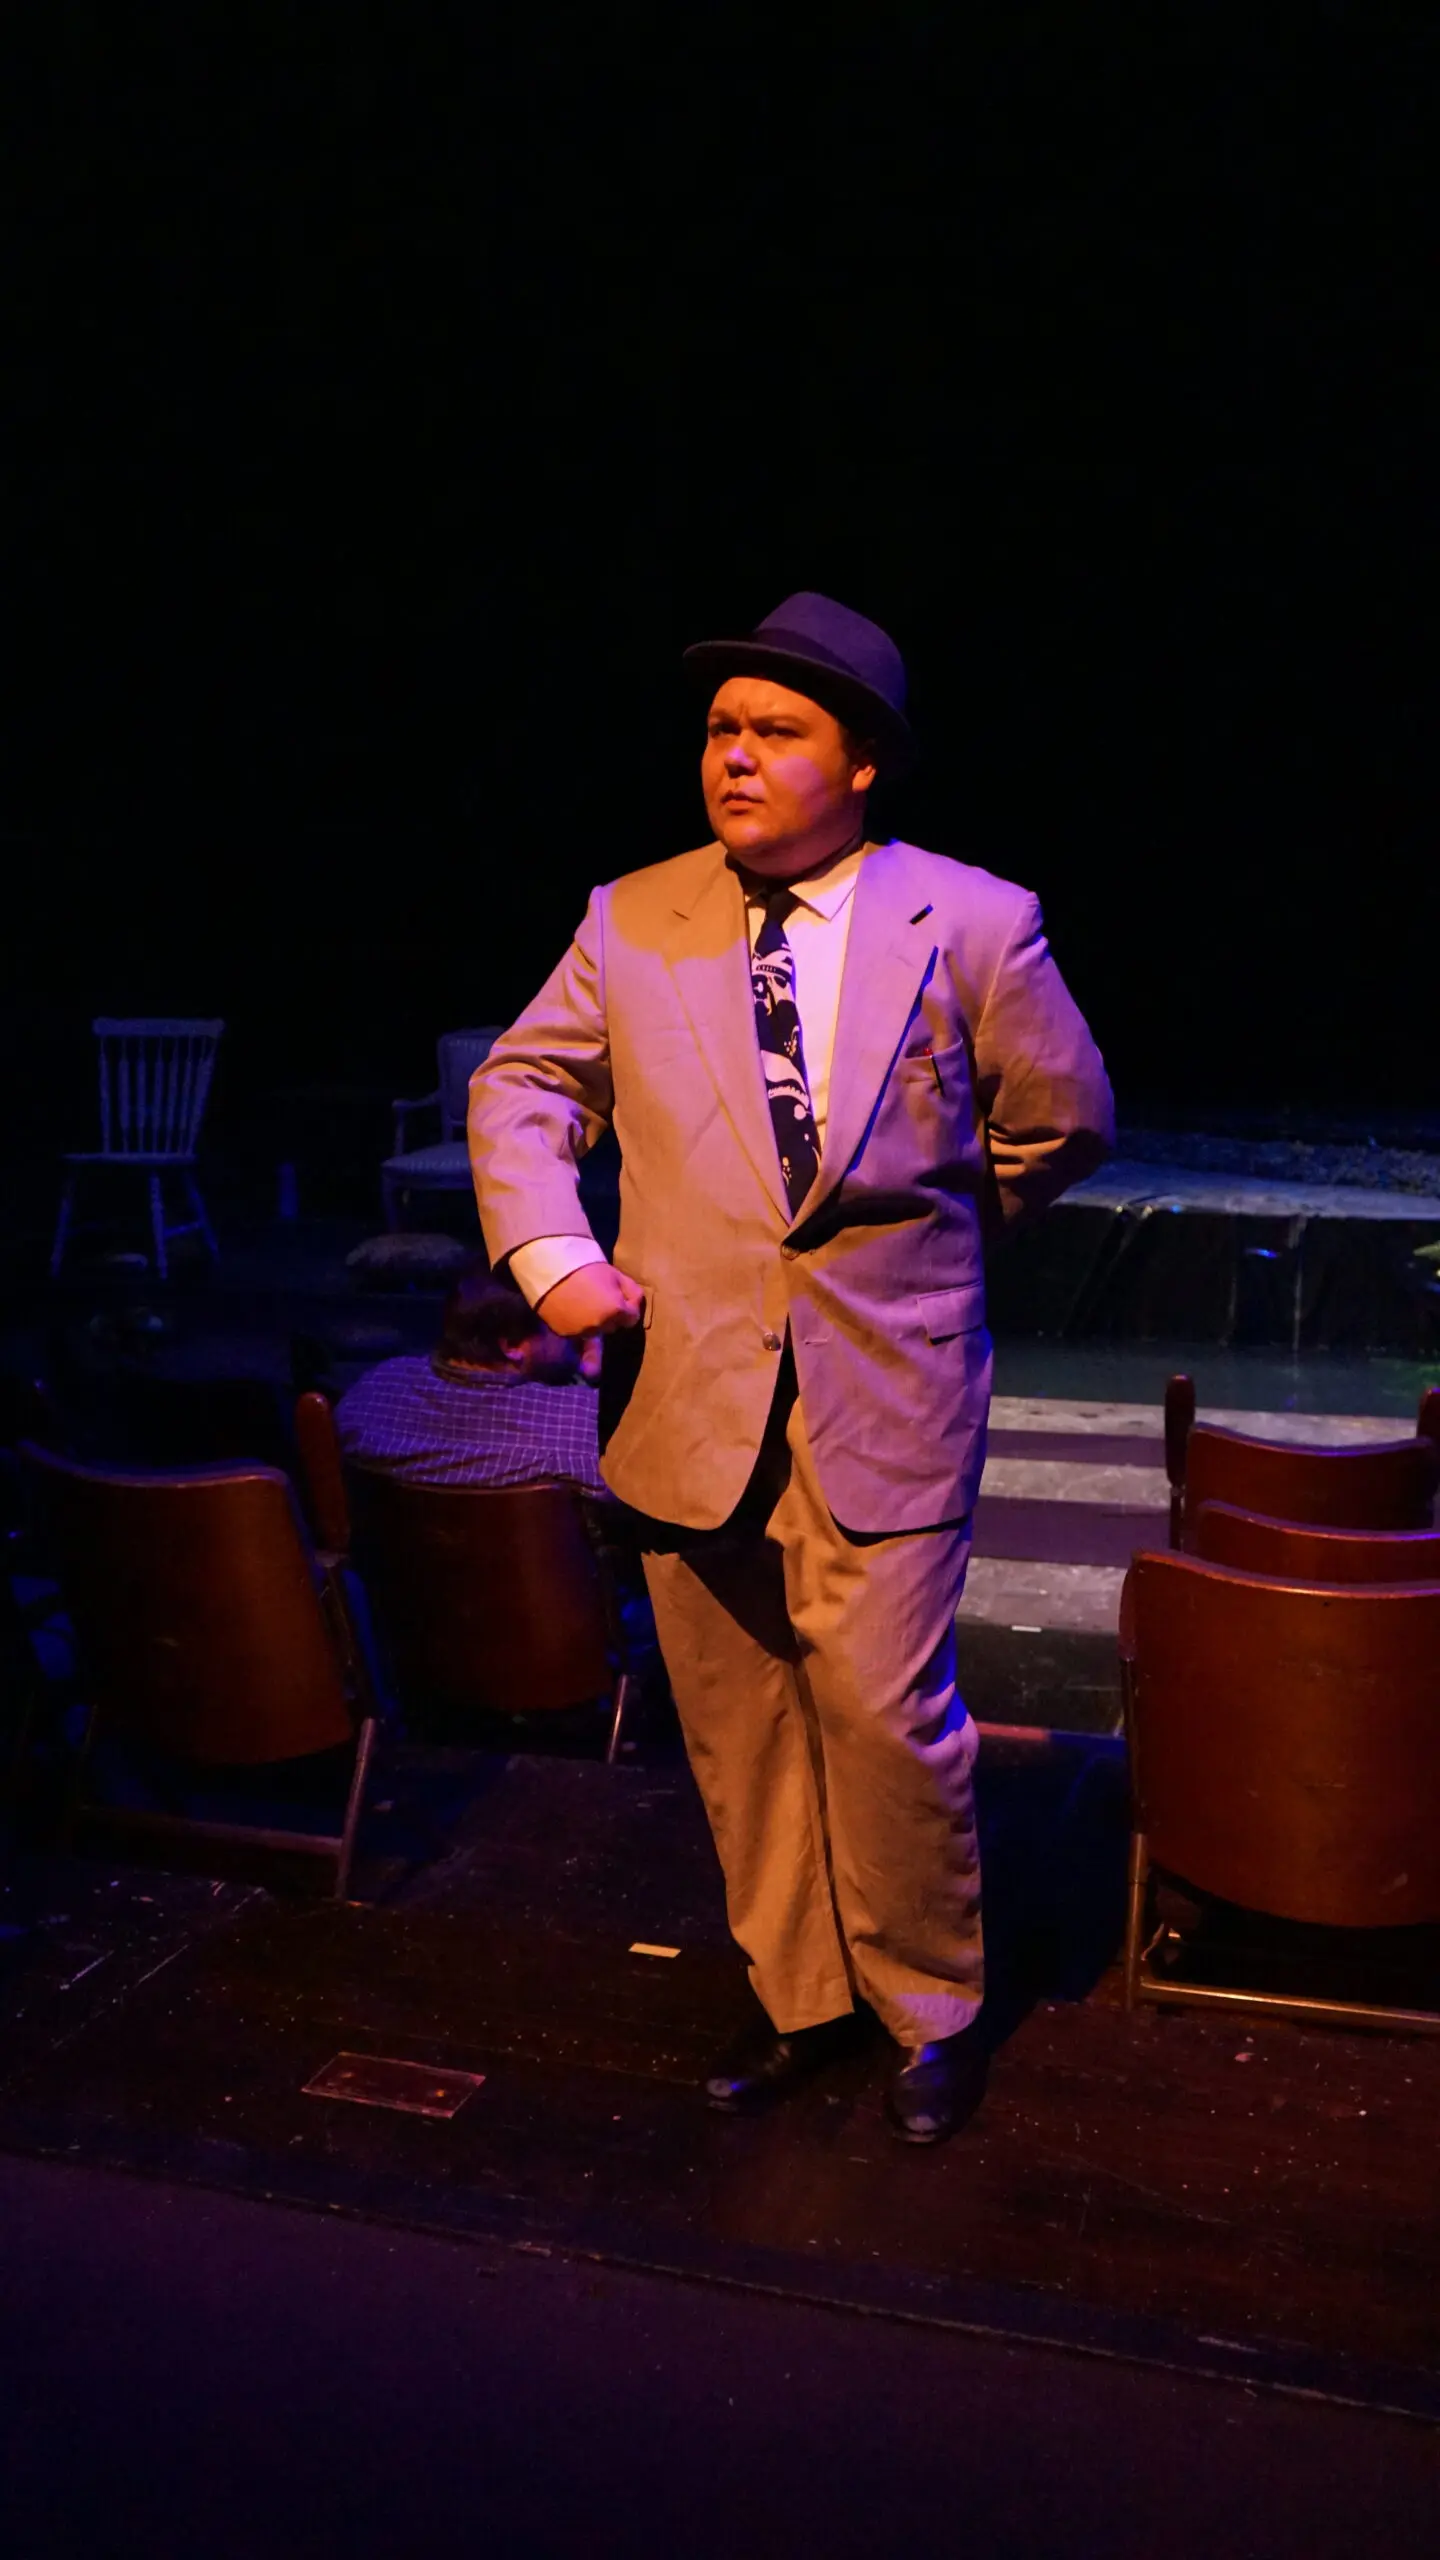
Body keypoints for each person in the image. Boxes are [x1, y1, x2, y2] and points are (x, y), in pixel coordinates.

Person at [468, 591, 1114, 2142]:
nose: (736, 757)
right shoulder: (632, 916)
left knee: (885, 1714)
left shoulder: (972, 920)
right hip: (689, 1391)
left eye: (776, 731)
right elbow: (523, 1088)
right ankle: (801, 1997)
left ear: (864, 760)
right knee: (737, 1719)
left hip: (888, 1389)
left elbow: (1061, 1121)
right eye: (720, 730)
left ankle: (927, 2008)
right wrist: (553, 1256)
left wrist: (932, 1242)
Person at [334, 1265, 606, 1493]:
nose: (576, 1328)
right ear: (512, 1345)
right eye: (561, 1320)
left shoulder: (372, 1392)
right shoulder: (583, 1421)